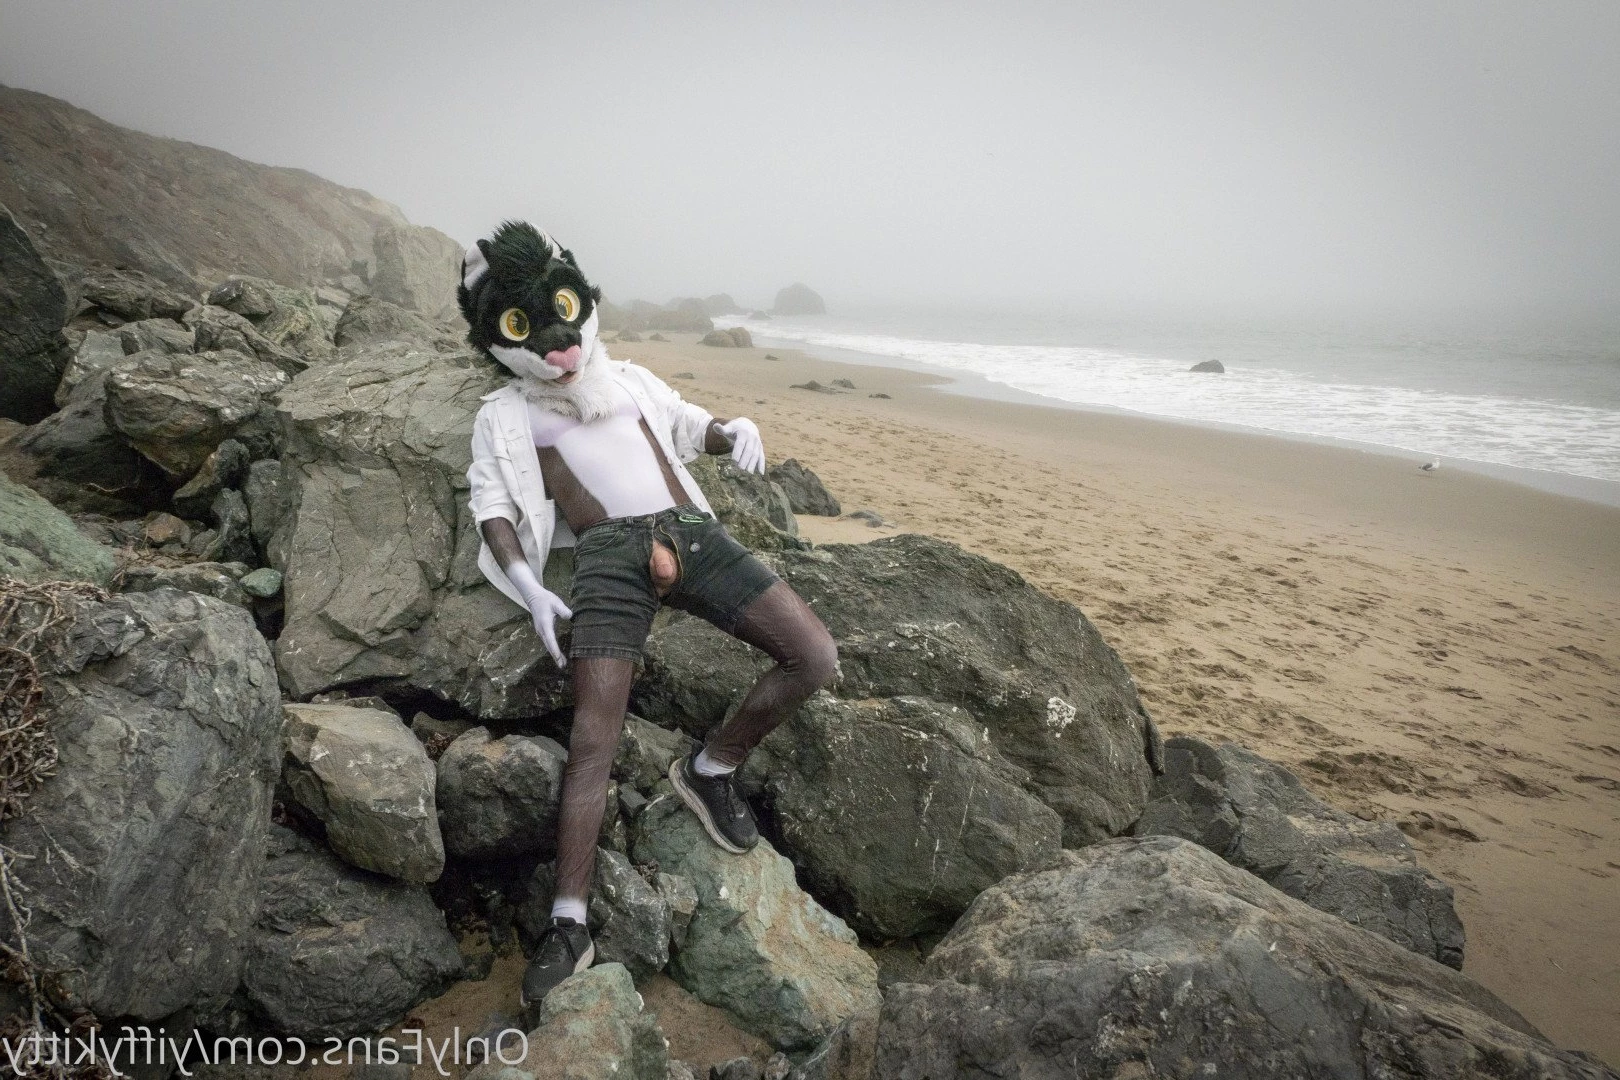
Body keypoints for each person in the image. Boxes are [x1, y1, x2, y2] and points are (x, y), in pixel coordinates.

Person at [459, 221, 839, 1010]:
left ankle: (713, 768)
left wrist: (733, 429)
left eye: (564, 311)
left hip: (692, 532)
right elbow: (492, 505)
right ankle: (569, 923)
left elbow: (689, 425)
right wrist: (530, 585)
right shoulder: (506, 413)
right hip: (608, 554)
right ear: (496, 337)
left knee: (815, 657)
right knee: (592, 738)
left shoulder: (629, 378)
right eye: (526, 326)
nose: (558, 343)